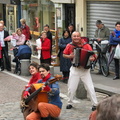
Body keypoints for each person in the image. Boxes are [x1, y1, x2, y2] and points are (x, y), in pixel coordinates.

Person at [63, 31, 98, 111]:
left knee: (90, 87)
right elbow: (64, 54)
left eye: (77, 36)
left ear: (80, 37)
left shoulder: (86, 45)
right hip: (75, 69)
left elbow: (93, 56)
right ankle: (70, 102)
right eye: (74, 36)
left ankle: (95, 104)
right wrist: (70, 56)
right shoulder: (69, 45)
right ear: (72, 37)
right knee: (71, 88)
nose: (76, 38)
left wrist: (92, 58)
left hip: (85, 70)